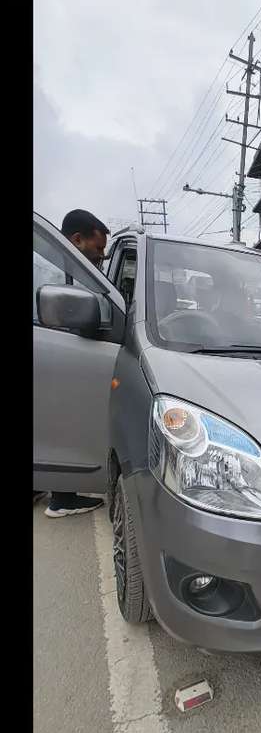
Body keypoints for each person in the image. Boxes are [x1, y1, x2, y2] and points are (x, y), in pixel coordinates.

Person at [41, 209, 110, 519]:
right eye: (98, 249)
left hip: (53, 358)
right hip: (55, 359)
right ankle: (61, 498)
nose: (102, 257)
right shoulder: (57, 274)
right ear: (77, 240)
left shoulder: (60, 268)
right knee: (62, 418)